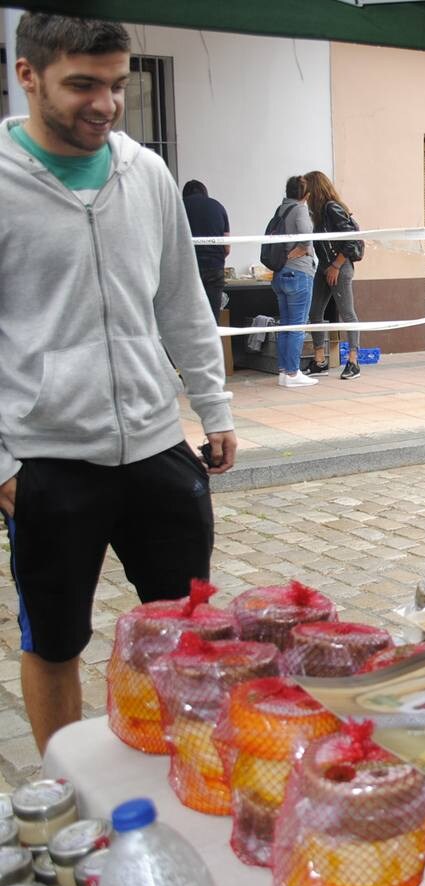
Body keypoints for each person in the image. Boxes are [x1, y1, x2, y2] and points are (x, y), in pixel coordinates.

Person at [0, 13, 237, 755]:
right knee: (55, 639)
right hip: (47, 458)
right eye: (81, 85)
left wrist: (214, 404)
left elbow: (180, 302)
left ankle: (185, 765)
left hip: (156, 442)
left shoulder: (147, 172)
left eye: (116, 85)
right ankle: (68, 787)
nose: (104, 104)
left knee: (187, 628)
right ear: (27, 75)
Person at [302, 170, 364, 380]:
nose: (304, 194)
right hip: (324, 266)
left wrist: (336, 266)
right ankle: (320, 360)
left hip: (339, 266)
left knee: (347, 313)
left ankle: (354, 361)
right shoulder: (317, 213)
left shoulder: (332, 208)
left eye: (306, 188)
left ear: (314, 188)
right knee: (315, 312)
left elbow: (350, 239)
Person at [269, 175, 318, 388]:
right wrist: (293, 255)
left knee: (286, 325)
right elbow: (307, 239)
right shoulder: (299, 209)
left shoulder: (281, 209)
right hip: (298, 273)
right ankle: (292, 373)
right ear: (305, 195)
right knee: (298, 325)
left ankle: (283, 371)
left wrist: (284, 258)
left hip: (280, 275)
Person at [181, 179, 230, 320]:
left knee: (187, 319)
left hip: (186, 269)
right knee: (212, 319)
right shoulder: (218, 207)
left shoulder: (179, 206)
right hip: (214, 269)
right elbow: (227, 247)